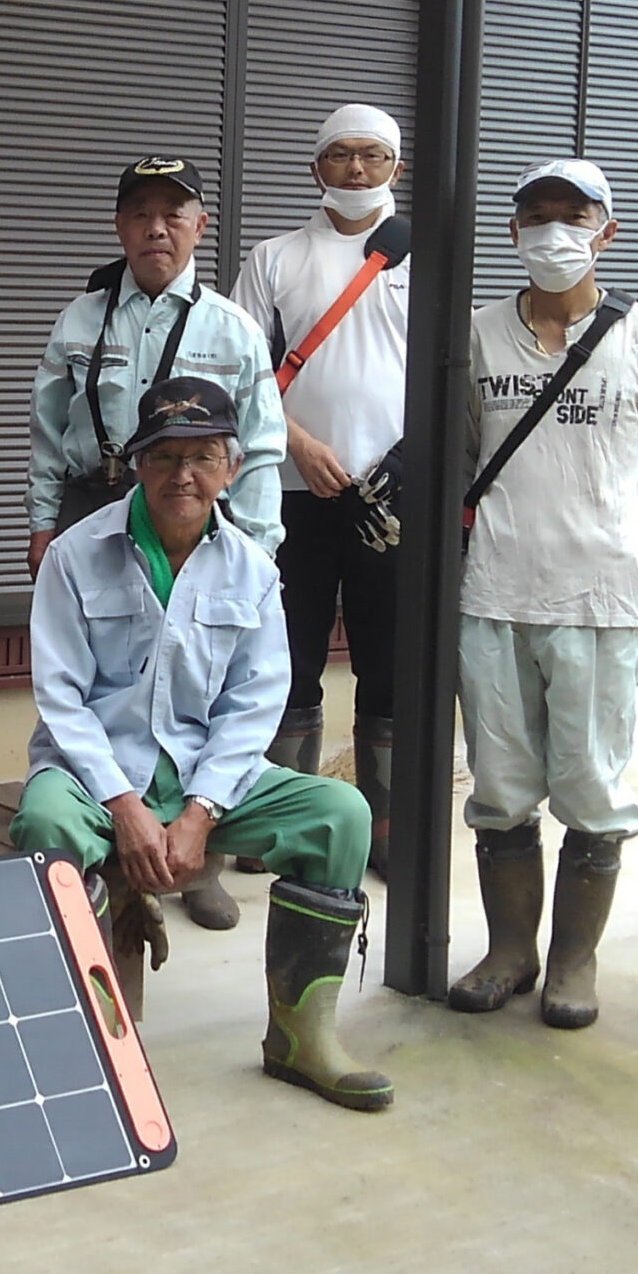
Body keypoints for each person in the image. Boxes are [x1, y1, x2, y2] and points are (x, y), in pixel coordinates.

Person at [10, 378, 390, 1112]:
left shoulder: (251, 567)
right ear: (136, 463)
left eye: (203, 456)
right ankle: (81, 1042)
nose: (183, 474)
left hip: (202, 779)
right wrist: (123, 804)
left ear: (232, 467)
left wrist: (200, 811)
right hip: (95, 778)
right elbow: (61, 698)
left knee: (341, 813)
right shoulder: (74, 555)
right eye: (165, 456)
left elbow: (254, 706)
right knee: (47, 827)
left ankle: (299, 1038)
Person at [448, 160, 638, 1030]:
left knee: (591, 790)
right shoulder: (475, 335)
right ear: (513, 233)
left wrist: (598, 530)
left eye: (573, 216)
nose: (554, 232)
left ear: (606, 230)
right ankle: (511, 949)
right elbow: (467, 455)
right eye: (536, 216)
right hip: (497, 593)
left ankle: (574, 960)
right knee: (502, 788)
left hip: (601, 597)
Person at [26, 153, 286, 929]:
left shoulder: (232, 328)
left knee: (194, 678)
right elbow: (46, 431)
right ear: (120, 227)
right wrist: (44, 525)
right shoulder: (81, 319)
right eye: (140, 213)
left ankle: (192, 854)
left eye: (174, 213)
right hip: (92, 505)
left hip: (197, 507)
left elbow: (262, 449)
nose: (156, 228)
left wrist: (259, 550)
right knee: (94, 674)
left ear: (200, 226)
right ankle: (107, 838)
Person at [231, 105, 411, 877]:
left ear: (396, 167)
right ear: (316, 167)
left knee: (389, 661)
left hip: (392, 495)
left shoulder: (423, 255)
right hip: (290, 492)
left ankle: (388, 825)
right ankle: (293, 821)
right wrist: (295, 445)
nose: (357, 170)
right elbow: (239, 368)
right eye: (341, 155)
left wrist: (408, 463)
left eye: (374, 156)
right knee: (287, 656)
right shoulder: (275, 258)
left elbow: (449, 374)